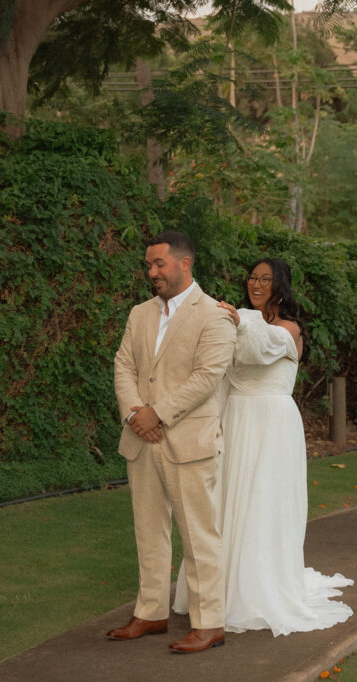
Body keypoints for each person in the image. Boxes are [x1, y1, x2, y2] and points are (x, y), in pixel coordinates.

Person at [174, 257, 353, 636]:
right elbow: (220, 360)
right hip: (235, 419)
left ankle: (256, 591)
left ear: (280, 286)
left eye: (265, 279)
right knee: (223, 500)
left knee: (263, 501)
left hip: (271, 422)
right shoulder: (241, 316)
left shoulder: (289, 330)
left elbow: (257, 350)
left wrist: (237, 324)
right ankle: (212, 590)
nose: (256, 284)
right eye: (253, 278)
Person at [109, 231, 237, 654]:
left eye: (159, 264)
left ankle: (209, 623)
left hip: (188, 442)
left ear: (185, 264)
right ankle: (150, 613)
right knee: (148, 531)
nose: (151, 272)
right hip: (141, 439)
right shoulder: (139, 313)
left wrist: (156, 414)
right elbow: (123, 365)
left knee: (200, 536)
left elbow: (207, 376)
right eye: (149, 265)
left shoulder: (215, 316)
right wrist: (134, 414)